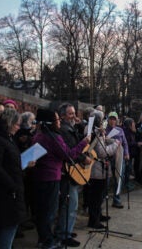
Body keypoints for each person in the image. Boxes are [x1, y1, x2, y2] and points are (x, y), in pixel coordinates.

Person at [32, 109, 91, 249]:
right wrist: (83, 143)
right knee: (49, 212)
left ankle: (44, 239)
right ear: (50, 122)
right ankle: (47, 242)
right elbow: (69, 154)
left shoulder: (38, 136)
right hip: (51, 177)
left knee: (43, 211)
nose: (59, 122)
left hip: (39, 178)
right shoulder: (53, 138)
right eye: (57, 119)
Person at [0, 109, 34, 249]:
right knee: (8, 228)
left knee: (11, 227)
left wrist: (23, 164)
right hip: (6, 192)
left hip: (12, 189)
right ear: (9, 123)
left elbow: (11, 162)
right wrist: (12, 186)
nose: (18, 128)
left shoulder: (8, 138)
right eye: (17, 124)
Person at [55, 103, 85, 247]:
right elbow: (71, 151)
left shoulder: (71, 127)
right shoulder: (63, 130)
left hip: (72, 172)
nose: (74, 116)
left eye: (74, 113)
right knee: (70, 204)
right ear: (62, 116)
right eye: (70, 114)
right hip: (67, 173)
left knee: (71, 204)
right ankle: (64, 234)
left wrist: (78, 127)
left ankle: (67, 229)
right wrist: (83, 158)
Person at [86, 112, 119, 229]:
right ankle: (94, 220)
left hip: (99, 169)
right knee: (96, 196)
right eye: (102, 120)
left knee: (99, 195)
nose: (103, 122)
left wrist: (109, 140)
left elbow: (103, 143)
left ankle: (98, 215)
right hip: (96, 169)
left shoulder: (95, 131)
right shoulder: (95, 133)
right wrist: (115, 145)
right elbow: (102, 152)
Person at [105, 112, 129, 209]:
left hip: (119, 157)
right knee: (107, 180)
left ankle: (116, 200)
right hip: (108, 157)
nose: (112, 121)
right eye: (111, 118)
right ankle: (103, 198)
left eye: (114, 119)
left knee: (118, 179)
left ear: (117, 120)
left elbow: (125, 143)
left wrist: (127, 153)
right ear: (108, 120)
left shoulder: (120, 130)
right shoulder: (105, 130)